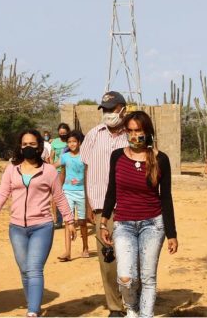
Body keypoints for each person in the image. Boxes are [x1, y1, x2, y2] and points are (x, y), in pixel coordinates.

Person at [0, 130, 76, 317]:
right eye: (25, 144)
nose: (28, 147)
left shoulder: (49, 171)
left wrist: (69, 221)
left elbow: (59, 197)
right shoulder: (12, 168)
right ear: (20, 146)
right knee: (24, 269)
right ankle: (32, 303)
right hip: (17, 227)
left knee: (34, 268)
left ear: (39, 147)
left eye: (32, 144)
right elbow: (3, 192)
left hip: (42, 226)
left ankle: (33, 312)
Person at [100, 111, 178, 318]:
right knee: (126, 277)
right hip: (123, 224)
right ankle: (132, 308)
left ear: (148, 132)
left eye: (139, 131)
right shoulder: (117, 156)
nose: (135, 135)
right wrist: (103, 221)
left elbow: (166, 197)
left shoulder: (161, 159)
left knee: (148, 277)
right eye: (131, 131)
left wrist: (172, 234)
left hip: (153, 225)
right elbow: (111, 191)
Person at [81, 91, 129, 317]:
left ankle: (132, 299)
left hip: (130, 206)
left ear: (122, 109)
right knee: (108, 258)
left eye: (112, 109)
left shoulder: (133, 134)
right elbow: (86, 169)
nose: (108, 114)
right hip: (102, 207)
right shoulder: (93, 135)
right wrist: (88, 205)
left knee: (130, 256)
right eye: (105, 110)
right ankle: (115, 306)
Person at [57, 130, 90, 261]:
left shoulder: (85, 157)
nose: (72, 144)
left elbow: (88, 174)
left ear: (79, 143)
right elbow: (60, 171)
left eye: (74, 141)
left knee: (82, 222)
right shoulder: (65, 157)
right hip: (68, 191)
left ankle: (85, 247)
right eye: (69, 142)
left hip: (82, 192)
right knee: (68, 221)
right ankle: (67, 252)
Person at [50, 124, 71, 229]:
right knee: (56, 195)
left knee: (69, 194)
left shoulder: (71, 141)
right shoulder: (55, 142)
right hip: (58, 170)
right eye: (61, 132)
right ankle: (57, 219)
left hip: (70, 171)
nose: (62, 134)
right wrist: (50, 169)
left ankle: (69, 218)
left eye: (64, 132)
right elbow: (51, 157)